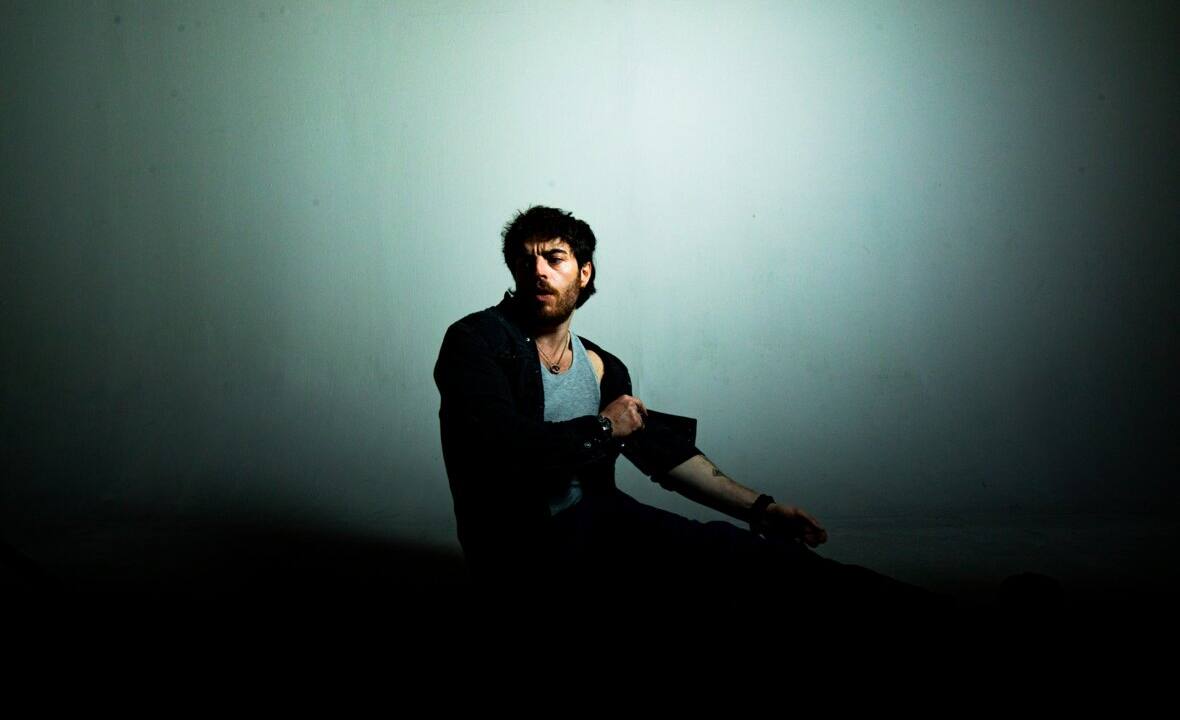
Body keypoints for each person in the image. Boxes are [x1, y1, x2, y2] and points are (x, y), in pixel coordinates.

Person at [434, 205, 949, 624]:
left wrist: (762, 509)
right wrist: (606, 426)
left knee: (763, 563)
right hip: (524, 553)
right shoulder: (476, 341)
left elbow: (662, 454)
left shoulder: (602, 366)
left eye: (555, 258)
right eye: (526, 261)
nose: (539, 271)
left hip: (602, 523)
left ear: (584, 272)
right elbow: (505, 447)